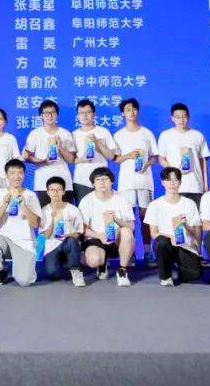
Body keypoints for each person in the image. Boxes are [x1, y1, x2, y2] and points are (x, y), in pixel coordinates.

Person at [111, 98, 158, 267]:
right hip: (126, 182)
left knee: (146, 217)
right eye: (128, 109)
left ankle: (147, 252)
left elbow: (154, 156)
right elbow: (115, 159)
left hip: (145, 181)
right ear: (123, 113)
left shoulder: (147, 133)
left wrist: (147, 164)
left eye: (134, 109)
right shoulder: (118, 135)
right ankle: (128, 252)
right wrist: (129, 155)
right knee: (128, 218)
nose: (132, 112)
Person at [0, 158, 42, 287]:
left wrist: (24, 205)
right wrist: (5, 204)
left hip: (24, 243)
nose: (16, 176)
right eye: (12, 173)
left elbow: (36, 224)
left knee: (24, 281)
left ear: (24, 174)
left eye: (20, 172)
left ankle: (25, 267)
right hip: (5, 241)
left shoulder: (31, 195)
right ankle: (0, 269)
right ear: (6, 175)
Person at [145, 166, 203, 286]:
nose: (172, 183)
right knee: (161, 243)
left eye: (175, 180)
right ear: (163, 182)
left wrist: (185, 224)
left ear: (180, 182)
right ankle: (166, 277)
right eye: (168, 180)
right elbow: (154, 233)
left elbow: (195, 233)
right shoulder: (154, 205)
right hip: (166, 244)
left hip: (185, 246)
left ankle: (179, 266)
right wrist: (171, 238)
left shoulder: (189, 203)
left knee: (194, 275)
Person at [79, 167, 136, 286]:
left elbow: (131, 226)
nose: (102, 182)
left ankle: (122, 270)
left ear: (112, 182)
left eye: (105, 179)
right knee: (93, 261)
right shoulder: (86, 200)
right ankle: (102, 263)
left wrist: (117, 220)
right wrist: (100, 236)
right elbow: (82, 229)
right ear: (93, 184)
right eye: (98, 180)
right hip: (96, 237)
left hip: (116, 238)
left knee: (126, 231)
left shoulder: (122, 199)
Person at [157, 103, 210, 207]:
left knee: (196, 215)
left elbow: (203, 161)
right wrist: (173, 172)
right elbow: (161, 158)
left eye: (184, 116)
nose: (181, 120)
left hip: (195, 185)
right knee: (177, 216)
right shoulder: (165, 135)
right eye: (177, 117)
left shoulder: (197, 135)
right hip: (175, 185)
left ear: (188, 117)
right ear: (172, 118)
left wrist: (205, 184)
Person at [22, 99, 74, 207]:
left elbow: (71, 159)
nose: (50, 115)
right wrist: (44, 161)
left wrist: (60, 147)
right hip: (43, 182)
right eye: (46, 113)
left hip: (64, 182)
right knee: (45, 214)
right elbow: (27, 157)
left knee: (67, 214)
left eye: (53, 112)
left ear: (57, 114)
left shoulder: (65, 134)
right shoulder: (35, 134)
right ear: (41, 115)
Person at [40, 176, 86, 287]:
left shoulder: (73, 209)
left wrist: (69, 235)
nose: (55, 192)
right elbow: (46, 236)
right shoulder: (44, 211)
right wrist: (52, 220)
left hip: (68, 242)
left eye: (59, 189)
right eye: (52, 190)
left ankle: (76, 270)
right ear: (48, 192)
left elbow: (79, 231)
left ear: (64, 192)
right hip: (52, 245)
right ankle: (64, 261)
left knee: (72, 240)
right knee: (52, 273)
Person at [71, 99, 115, 203]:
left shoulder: (104, 132)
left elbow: (111, 156)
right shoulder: (74, 134)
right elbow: (71, 160)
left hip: (102, 180)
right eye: (81, 113)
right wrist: (83, 159)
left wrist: (97, 143)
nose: (84, 115)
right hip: (81, 181)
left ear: (94, 114)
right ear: (77, 115)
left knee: (104, 209)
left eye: (88, 112)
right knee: (82, 211)